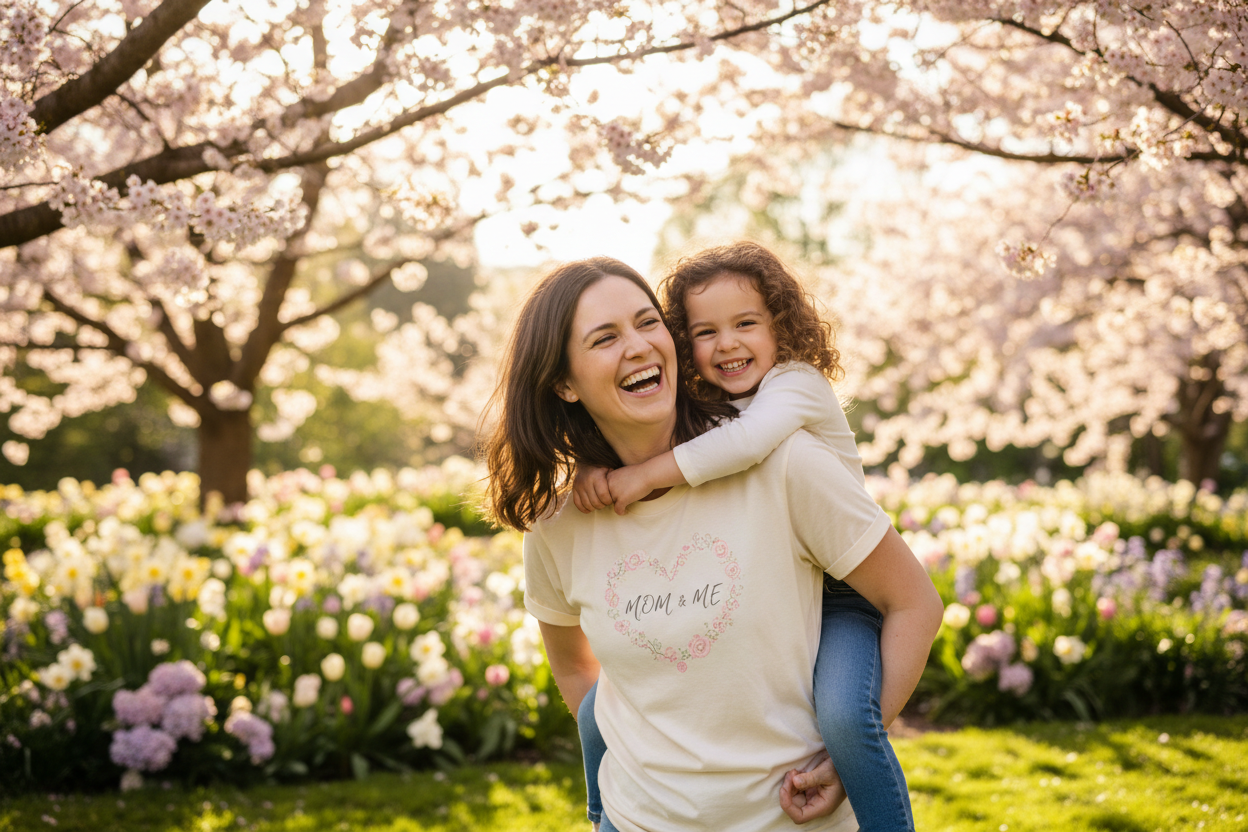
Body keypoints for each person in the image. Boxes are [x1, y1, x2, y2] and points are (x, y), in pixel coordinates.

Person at [483, 256, 943, 832]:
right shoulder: (560, 522)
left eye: (647, 323)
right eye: (605, 338)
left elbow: (914, 603)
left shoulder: (785, 460)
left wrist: (845, 758)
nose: (637, 346)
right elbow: (579, 673)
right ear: (563, 383)